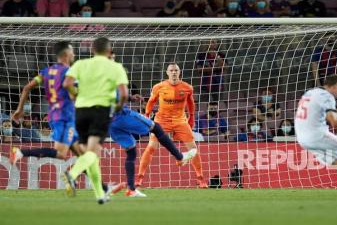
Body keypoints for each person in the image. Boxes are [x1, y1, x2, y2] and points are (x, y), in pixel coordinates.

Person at [9, 41, 112, 195]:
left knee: (83, 156)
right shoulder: (68, 72)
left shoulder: (46, 72)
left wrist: (19, 109)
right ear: (66, 54)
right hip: (65, 117)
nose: (74, 54)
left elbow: (27, 87)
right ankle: (21, 152)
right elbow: (68, 85)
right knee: (61, 154)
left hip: (56, 115)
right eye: (72, 51)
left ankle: (103, 189)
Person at [107, 53, 196, 197]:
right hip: (121, 115)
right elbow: (121, 94)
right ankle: (180, 157)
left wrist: (130, 97)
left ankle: (131, 189)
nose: (114, 58)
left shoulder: (94, 76)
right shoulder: (116, 71)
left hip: (107, 122)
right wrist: (127, 99)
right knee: (156, 127)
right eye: (111, 56)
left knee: (131, 150)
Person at [62, 37, 128, 204]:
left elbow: (67, 83)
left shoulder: (81, 64)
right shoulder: (115, 67)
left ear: (92, 50)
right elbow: (124, 94)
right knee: (92, 153)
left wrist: (75, 94)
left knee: (90, 156)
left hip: (80, 111)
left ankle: (100, 195)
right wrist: (119, 106)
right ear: (109, 50)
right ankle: (73, 173)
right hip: (101, 111)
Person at [137, 63, 208, 188]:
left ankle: (200, 179)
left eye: (176, 70)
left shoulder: (187, 87)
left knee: (193, 149)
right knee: (151, 147)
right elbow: (151, 101)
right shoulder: (159, 87)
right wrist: (147, 115)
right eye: (171, 70)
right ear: (167, 72)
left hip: (180, 121)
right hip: (161, 120)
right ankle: (139, 178)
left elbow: (191, 103)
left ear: (179, 72)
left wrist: (191, 117)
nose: (174, 72)